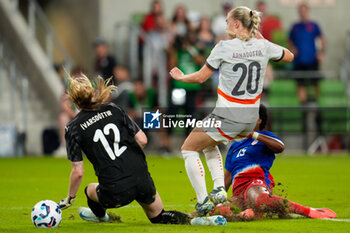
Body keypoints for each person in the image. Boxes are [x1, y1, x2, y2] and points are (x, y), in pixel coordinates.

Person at [169, 6, 294, 216]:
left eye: (228, 21)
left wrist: (181, 77)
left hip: (228, 116)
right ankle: (219, 189)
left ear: (237, 24)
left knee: (189, 148)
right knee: (209, 143)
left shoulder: (224, 47)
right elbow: (289, 56)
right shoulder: (263, 46)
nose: (226, 25)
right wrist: (263, 41)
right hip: (250, 117)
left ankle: (203, 202)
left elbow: (200, 78)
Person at [57, 74, 194, 224]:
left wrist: (70, 198)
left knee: (89, 190)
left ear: (75, 102)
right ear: (93, 93)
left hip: (114, 192)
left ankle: (102, 217)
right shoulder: (113, 108)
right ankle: (197, 220)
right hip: (141, 179)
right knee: (159, 216)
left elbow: (78, 172)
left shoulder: (72, 128)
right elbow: (143, 139)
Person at [211, 104, 337, 220]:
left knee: (259, 200)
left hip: (256, 183)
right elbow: (227, 177)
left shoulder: (264, 136)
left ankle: (309, 211)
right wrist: (216, 198)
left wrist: (254, 135)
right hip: (238, 191)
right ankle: (246, 214)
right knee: (217, 211)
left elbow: (280, 147)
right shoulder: (235, 146)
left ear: (259, 120)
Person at [288, 2, 326, 103]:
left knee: (315, 83)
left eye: (304, 11)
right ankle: (304, 108)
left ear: (308, 12)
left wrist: (321, 53)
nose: (302, 13)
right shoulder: (295, 27)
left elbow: (322, 39)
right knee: (300, 84)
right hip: (299, 61)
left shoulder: (314, 25)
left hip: (312, 59)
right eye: (300, 11)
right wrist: (292, 49)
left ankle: (317, 106)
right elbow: (290, 40)